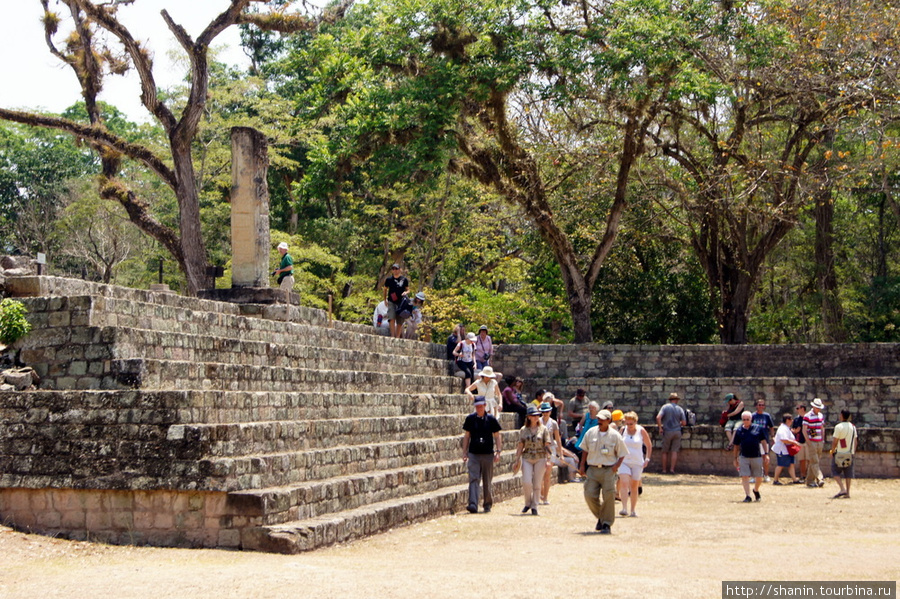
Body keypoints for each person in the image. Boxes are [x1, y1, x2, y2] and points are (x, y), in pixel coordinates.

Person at [579, 409, 628, 534]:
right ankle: (602, 517)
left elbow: (622, 453)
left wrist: (616, 466)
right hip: (593, 469)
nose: (599, 421)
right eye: (598, 419)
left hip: (608, 470)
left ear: (609, 421)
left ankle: (606, 524)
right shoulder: (590, 433)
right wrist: (582, 465)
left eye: (602, 419)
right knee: (589, 495)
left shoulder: (615, 435)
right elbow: (584, 449)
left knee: (609, 496)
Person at [461, 396, 503, 514]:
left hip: (487, 454)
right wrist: (464, 452)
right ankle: (473, 503)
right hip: (474, 453)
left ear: (485, 405)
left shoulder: (491, 419)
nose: (479, 408)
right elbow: (467, 436)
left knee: (487, 480)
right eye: (477, 406)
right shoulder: (470, 419)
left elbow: (497, 435)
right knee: (473, 478)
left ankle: (487, 504)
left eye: (481, 406)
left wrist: (498, 451)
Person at [513, 405, 551, 515]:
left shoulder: (543, 429)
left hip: (540, 457)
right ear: (529, 417)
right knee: (526, 482)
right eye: (533, 416)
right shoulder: (523, 430)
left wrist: (548, 459)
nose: (536, 417)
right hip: (527, 457)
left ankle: (535, 505)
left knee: (537, 483)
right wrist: (516, 459)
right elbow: (520, 445)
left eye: (537, 415)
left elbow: (547, 444)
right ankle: (527, 502)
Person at [539, 401, 577, 502]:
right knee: (540, 473)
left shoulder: (554, 423)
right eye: (543, 412)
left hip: (551, 449)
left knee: (547, 472)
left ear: (550, 412)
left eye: (547, 411)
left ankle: (545, 497)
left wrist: (560, 454)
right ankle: (541, 493)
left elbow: (558, 439)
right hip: (540, 449)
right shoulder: (538, 422)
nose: (545, 413)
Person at [618, 411, 652, 517]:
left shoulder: (641, 431)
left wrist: (647, 459)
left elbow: (649, 445)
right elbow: (617, 444)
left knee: (634, 486)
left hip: (637, 462)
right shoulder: (623, 430)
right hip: (624, 461)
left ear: (635, 422)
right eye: (627, 424)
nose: (629, 426)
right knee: (624, 482)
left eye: (631, 424)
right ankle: (624, 508)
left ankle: (633, 510)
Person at [733, 411, 769, 502]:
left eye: (747, 419)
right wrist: (735, 458)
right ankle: (748, 496)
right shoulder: (739, 430)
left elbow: (764, 442)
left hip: (756, 456)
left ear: (751, 419)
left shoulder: (758, 429)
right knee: (745, 476)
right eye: (744, 420)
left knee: (759, 477)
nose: (746, 421)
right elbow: (736, 445)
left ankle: (756, 490)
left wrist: (766, 454)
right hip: (743, 456)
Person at [656, 392, 686, 474]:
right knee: (674, 451)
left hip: (667, 431)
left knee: (665, 451)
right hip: (677, 431)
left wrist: (660, 428)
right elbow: (684, 423)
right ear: (676, 400)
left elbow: (658, 417)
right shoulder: (680, 409)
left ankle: (664, 470)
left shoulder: (665, 407)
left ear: (670, 400)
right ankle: (672, 469)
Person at [830, 409, 858, 499]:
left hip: (839, 453)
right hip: (849, 452)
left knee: (835, 471)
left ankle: (842, 488)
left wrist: (832, 451)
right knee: (848, 473)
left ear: (841, 416)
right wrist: (853, 451)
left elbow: (835, 441)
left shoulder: (838, 427)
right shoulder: (853, 427)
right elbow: (855, 441)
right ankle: (848, 492)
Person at [771, 413, 801, 485]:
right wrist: (794, 443)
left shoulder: (786, 428)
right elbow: (783, 439)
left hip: (787, 450)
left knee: (791, 464)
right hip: (782, 450)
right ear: (787, 420)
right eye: (791, 419)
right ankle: (775, 480)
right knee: (781, 465)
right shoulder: (782, 428)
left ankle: (794, 479)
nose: (792, 421)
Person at [803, 398, 826, 488]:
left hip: (819, 441)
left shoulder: (820, 415)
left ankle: (809, 480)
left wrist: (822, 439)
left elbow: (822, 427)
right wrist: (808, 442)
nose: (818, 409)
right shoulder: (807, 416)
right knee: (815, 461)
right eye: (817, 407)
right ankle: (820, 478)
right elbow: (804, 430)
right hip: (812, 441)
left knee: (814, 461)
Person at [382, 263, 409, 338]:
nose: (395, 270)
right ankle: (392, 335)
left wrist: (405, 292)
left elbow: (408, 290)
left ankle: (397, 336)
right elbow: (385, 289)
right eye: (393, 269)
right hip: (391, 301)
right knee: (391, 318)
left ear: (400, 269)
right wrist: (385, 300)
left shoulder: (404, 280)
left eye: (396, 269)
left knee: (400, 321)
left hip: (401, 303)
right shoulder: (389, 280)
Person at [751, 399, 775, 482]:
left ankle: (766, 475)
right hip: (754, 440)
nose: (761, 406)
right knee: (754, 458)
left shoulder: (767, 416)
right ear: (756, 406)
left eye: (762, 405)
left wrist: (772, 437)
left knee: (765, 457)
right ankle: (754, 476)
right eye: (759, 405)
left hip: (764, 439)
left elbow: (771, 427)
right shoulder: (752, 416)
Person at [575, 401, 601, 474]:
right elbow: (580, 424)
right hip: (584, 434)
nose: (591, 409)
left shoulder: (598, 417)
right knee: (582, 450)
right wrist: (580, 430)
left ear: (596, 409)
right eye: (590, 408)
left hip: (594, 436)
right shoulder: (586, 415)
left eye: (593, 408)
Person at [791, 403, 809, 480]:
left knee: (809, 459)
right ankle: (803, 475)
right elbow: (794, 430)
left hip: (808, 441)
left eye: (798, 408)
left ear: (802, 409)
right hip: (800, 441)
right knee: (802, 459)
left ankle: (809, 475)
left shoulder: (808, 418)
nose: (796, 410)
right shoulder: (796, 419)